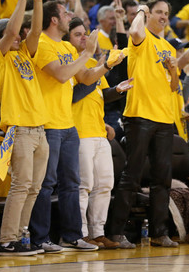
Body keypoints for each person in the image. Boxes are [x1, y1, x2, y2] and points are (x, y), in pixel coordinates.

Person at [29, 0, 123, 252]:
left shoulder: (68, 49)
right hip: (48, 123)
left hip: (68, 125)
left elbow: (86, 77)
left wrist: (105, 64)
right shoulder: (44, 44)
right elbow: (61, 75)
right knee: (46, 184)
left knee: (72, 183)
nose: (70, 15)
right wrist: (89, 54)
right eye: (66, 12)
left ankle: (72, 236)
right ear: (54, 19)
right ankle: (40, 238)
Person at [108, 0, 180, 249]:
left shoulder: (169, 48)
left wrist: (173, 70)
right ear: (149, 14)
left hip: (164, 119)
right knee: (132, 177)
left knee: (163, 179)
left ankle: (160, 233)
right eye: (158, 12)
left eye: (166, 13)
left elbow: (175, 86)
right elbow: (134, 29)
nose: (163, 16)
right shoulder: (140, 38)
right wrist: (141, 10)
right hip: (139, 115)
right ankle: (115, 232)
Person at [0, 0, 47, 256]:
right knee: (21, 187)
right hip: (19, 130)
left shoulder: (25, 54)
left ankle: (22, 236)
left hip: (39, 130)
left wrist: (38, 1)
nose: (20, 37)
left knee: (33, 188)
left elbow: (34, 33)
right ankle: (7, 240)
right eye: (14, 34)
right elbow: (11, 32)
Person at [67, 17, 133, 249]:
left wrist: (117, 89)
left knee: (105, 184)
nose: (84, 37)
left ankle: (97, 232)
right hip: (79, 130)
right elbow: (74, 95)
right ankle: (80, 233)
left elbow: (101, 95)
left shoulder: (93, 62)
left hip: (98, 130)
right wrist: (104, 68)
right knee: (84, 185)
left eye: (85, 33)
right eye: (77, 34)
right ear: (67, 39)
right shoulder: (67, 62)